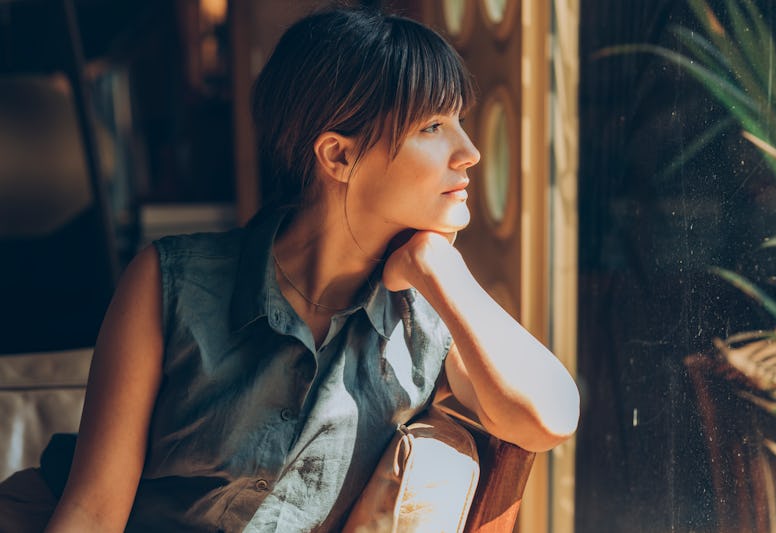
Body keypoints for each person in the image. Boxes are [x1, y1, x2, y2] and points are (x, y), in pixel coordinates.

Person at [24, 6, 579, 532]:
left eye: (459, 120)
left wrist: (442, 267)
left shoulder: (426, 317)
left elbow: (548, 419)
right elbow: (92, 514)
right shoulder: (170, 284)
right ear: (337, 155)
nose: (471, 151)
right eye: (433, 126)